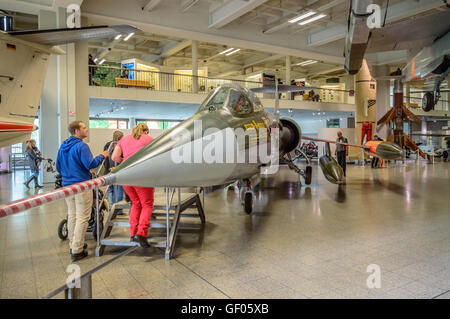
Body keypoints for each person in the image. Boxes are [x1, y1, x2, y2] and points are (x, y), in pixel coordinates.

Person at [56, 120, 109, 262]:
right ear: (77, 131)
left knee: (72, 215)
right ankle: (77, 250)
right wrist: (102, 155)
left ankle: (73, 244)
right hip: (81, 186)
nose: (87, 130)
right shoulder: (82, 146)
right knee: (82, 217)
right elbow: (90, 164)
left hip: (67, 186)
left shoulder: (63, 147)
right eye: (84, 128)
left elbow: (58, 167)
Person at [112, 123, 154, 248]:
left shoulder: (124, 139)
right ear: (146, 131)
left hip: (125, 175)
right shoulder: (149, 139)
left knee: (136, 203)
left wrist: (125, 163)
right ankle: (141, 234)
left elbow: (114, 156)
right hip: (142, 176)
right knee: (147, 204)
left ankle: (132, 233)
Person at [104, 130, 125, 214]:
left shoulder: (107, 145)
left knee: (110, 189)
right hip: (118, 170)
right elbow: (121, 157)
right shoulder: (121, 145)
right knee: (119, 189)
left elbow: (105, 158)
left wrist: (107, 168)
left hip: (108, 170)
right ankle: (117, 209)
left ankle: (110, 207)